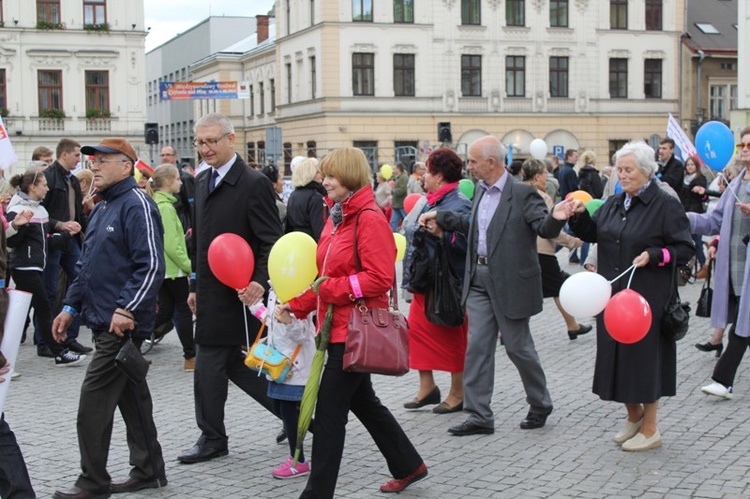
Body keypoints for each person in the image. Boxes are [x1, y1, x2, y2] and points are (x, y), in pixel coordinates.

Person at [285, 147, 427, 497]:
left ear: (349, 178)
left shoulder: (368, 217)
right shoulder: (337, 216)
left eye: (331, 176)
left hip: (351, 332)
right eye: (325, 175)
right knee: (364, 403)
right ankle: (409, 464)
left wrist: (331, 291)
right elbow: (324, 276)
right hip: (336, 327)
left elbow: (379, 278)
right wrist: (298, 304)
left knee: (330, 417)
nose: (325, 181)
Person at [419, 135, 571, 435]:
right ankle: (479, 415)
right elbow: (473, 226)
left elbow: (543, 228)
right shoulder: (479, 190)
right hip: (478, 279)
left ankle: (540, 403)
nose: (469, 166)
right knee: (477, 348)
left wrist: (557, 217)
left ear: (491, 162)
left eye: (473, 161)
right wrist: (444, 218)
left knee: (518, 347)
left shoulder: (522, 193)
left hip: (511, 282)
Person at [51, 137, 168, 498]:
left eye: (103, 161)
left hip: (121, 326)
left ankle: (93, 481)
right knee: (133, 400)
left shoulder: (137, 205)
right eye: (93, 161)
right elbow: (86, 268)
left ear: (126, 166)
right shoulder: (101, 207)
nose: (94, 166)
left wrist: (126, 309)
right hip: (102, 319)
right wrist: (70, 307)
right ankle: (149, 470)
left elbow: (151, 266)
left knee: (92, 405)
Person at [566, 140, 694, 452]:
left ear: (646, 171)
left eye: (628, 169)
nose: (621, 175)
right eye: (619, 169)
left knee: (644, 361)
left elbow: (684, 248)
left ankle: (650, 428)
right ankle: (633, 415)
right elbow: (595, 233)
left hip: (647, 298)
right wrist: (579, 217)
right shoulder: (614, 202)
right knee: (615, 357)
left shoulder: (665, 204)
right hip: (612, 294)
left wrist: (655, 253)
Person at [178, 113, 283, 464]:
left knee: (213, 366)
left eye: (211, 141)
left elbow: (271, 241)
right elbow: (200, 241)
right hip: (209, 294)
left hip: (240, 297)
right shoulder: (201, 180)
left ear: (231, 139)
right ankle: (299, 416)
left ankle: (212, 438)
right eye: (199, 142)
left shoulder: (252, 183)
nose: (204, 148)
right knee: (237, 367)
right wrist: (194, 284)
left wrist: (259, 281)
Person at [403, 148, 470, 414]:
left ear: (439, 176)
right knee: (417, 334)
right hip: (425, 280)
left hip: (446, 284)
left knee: (451, 336)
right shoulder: (432, 199)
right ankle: (427, 387)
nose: (423, 176)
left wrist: (442, 233)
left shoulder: (459, 203)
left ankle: (458, 392)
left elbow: (466, 243)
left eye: (428, 172)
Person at [691, 126, 750, 400]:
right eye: (742, 146)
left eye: (749, 146)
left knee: (742, 326)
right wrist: (685, 218)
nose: (744, 150)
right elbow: (715, 220)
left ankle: (722, 380)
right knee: (743, 323)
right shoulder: (737, 183)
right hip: (735, 269)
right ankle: (722, 380)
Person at [6, 171, 86, 366]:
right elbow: (11, 241)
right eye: (44, 185)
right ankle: (59, 352)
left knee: (24, 311)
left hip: (36, 266)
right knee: (43, 308)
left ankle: (10, 355)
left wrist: (66, 232)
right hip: (24, 267)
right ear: (33, 187)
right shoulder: (17, 209)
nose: (47, 188)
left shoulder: (40, 210)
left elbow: (46, 241)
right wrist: (18, 226)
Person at [238, 294, 316, 479]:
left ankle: (298, 461)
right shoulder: (276, 289)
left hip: (295, 364)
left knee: (287, 409)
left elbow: (304, 334)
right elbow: (270, 318)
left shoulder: (300, 291)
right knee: (279, 406)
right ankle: (322, 432)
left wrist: (288, 321)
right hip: (278, 363)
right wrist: (253, 303)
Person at [521, 159, 592, 340]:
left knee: (527, 290)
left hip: (524, 251)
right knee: (560, 288)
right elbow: (549, 229)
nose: (547, 176)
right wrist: (572, 242)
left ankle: (509, 330)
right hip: (542, 251)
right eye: (545, 172)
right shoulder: (541, 197)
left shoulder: (517, 193)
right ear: (537, 176)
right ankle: (572, 325)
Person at [41, 138, 91, 357]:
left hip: (71, 240)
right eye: (76, 155)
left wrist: (82, 226)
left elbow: (77, 211)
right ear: (64, 154)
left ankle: (70, 337)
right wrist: (60, 225)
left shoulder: (71, 179)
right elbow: (40, 212)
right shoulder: (49, 177)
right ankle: (45, 342)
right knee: (49, 291)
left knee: (79, 283)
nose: (78, 159)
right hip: (53, 240)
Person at [147, 164, 196, 372]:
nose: (181, 182)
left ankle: (132, 335)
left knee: (166, 311)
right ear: (167, 182)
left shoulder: (158, 204)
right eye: (177, 179)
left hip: (164, 268)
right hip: (173, 269)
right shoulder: (166, 208)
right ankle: (190, 356)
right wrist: (188, 266)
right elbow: (172, 245)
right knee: (183, 310)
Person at [679, 155, 708, 274]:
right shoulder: (683, 179)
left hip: (696, 213)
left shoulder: (700, 179)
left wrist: (701, 191)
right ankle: (688, 267)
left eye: (692, 165)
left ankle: (704, 265)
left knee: (696, 241)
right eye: (688, 165)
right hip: (685, 212)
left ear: (696, 166)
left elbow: (704, 196)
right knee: (688, 241)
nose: (690, 167)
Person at [285, 157, 325, 241]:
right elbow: (319, 231)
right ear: (310, 175)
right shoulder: (316, 197)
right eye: (317, 172)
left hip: (296, 242)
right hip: (311, 243)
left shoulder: (293, 195)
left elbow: (288, 227)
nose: (321, 175)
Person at [160, 145, 195, 233]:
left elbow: (192, 205)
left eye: (168, 155)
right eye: (163, 155)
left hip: (182, 225)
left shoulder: (185, 177)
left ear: (175, 157)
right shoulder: (159, 177)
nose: (165, 158)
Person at [390, 163, 409, 230]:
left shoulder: (404, 177)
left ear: (398, 169)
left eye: (394, 169)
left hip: (402, 204)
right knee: (393, 222)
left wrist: (393, 191)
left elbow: (403, 190)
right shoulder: (398, 177)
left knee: (407, 221)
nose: (393, 170)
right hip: (397, 204)